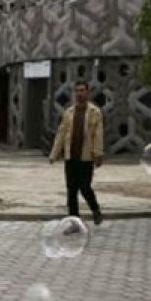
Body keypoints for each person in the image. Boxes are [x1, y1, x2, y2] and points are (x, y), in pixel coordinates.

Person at [48, 80, 104, 225]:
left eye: (82, 90)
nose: (80, 93)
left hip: (86, 157)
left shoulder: (94, 112)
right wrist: (54, 154)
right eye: (77, 91)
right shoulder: (69, 112)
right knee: (71, 190)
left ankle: (95, 210)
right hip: (70, 156)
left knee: (85, 187)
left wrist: (98, 153)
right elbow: (61, 133)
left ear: (87, 92)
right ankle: (74, 221)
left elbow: (98, 134)